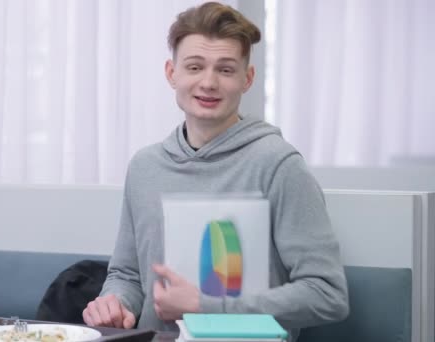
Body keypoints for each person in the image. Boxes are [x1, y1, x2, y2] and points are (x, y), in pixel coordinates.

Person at [82, 2, 349, 341]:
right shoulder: (144, 168)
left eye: (225, 70)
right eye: (194, 67)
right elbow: (127, 274)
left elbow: (327, 295)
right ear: (171, 73)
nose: (208, 83)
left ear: (247, 79)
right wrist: (116, 302)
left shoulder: (279, 165)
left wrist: (206, 304)